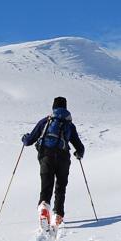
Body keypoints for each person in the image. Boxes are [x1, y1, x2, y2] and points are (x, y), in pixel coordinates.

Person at [21, 96, 85, 227]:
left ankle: (44, 208)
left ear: (53, 107)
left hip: (46, 156)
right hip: (63, 158)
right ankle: (58, 216)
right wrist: (78, 153)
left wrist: (24, 138)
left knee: (46, 185)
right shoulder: (69, 125)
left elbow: (28, 141)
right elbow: (80, 147)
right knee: (61, 187)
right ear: (65, 108)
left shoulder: (45, 121)